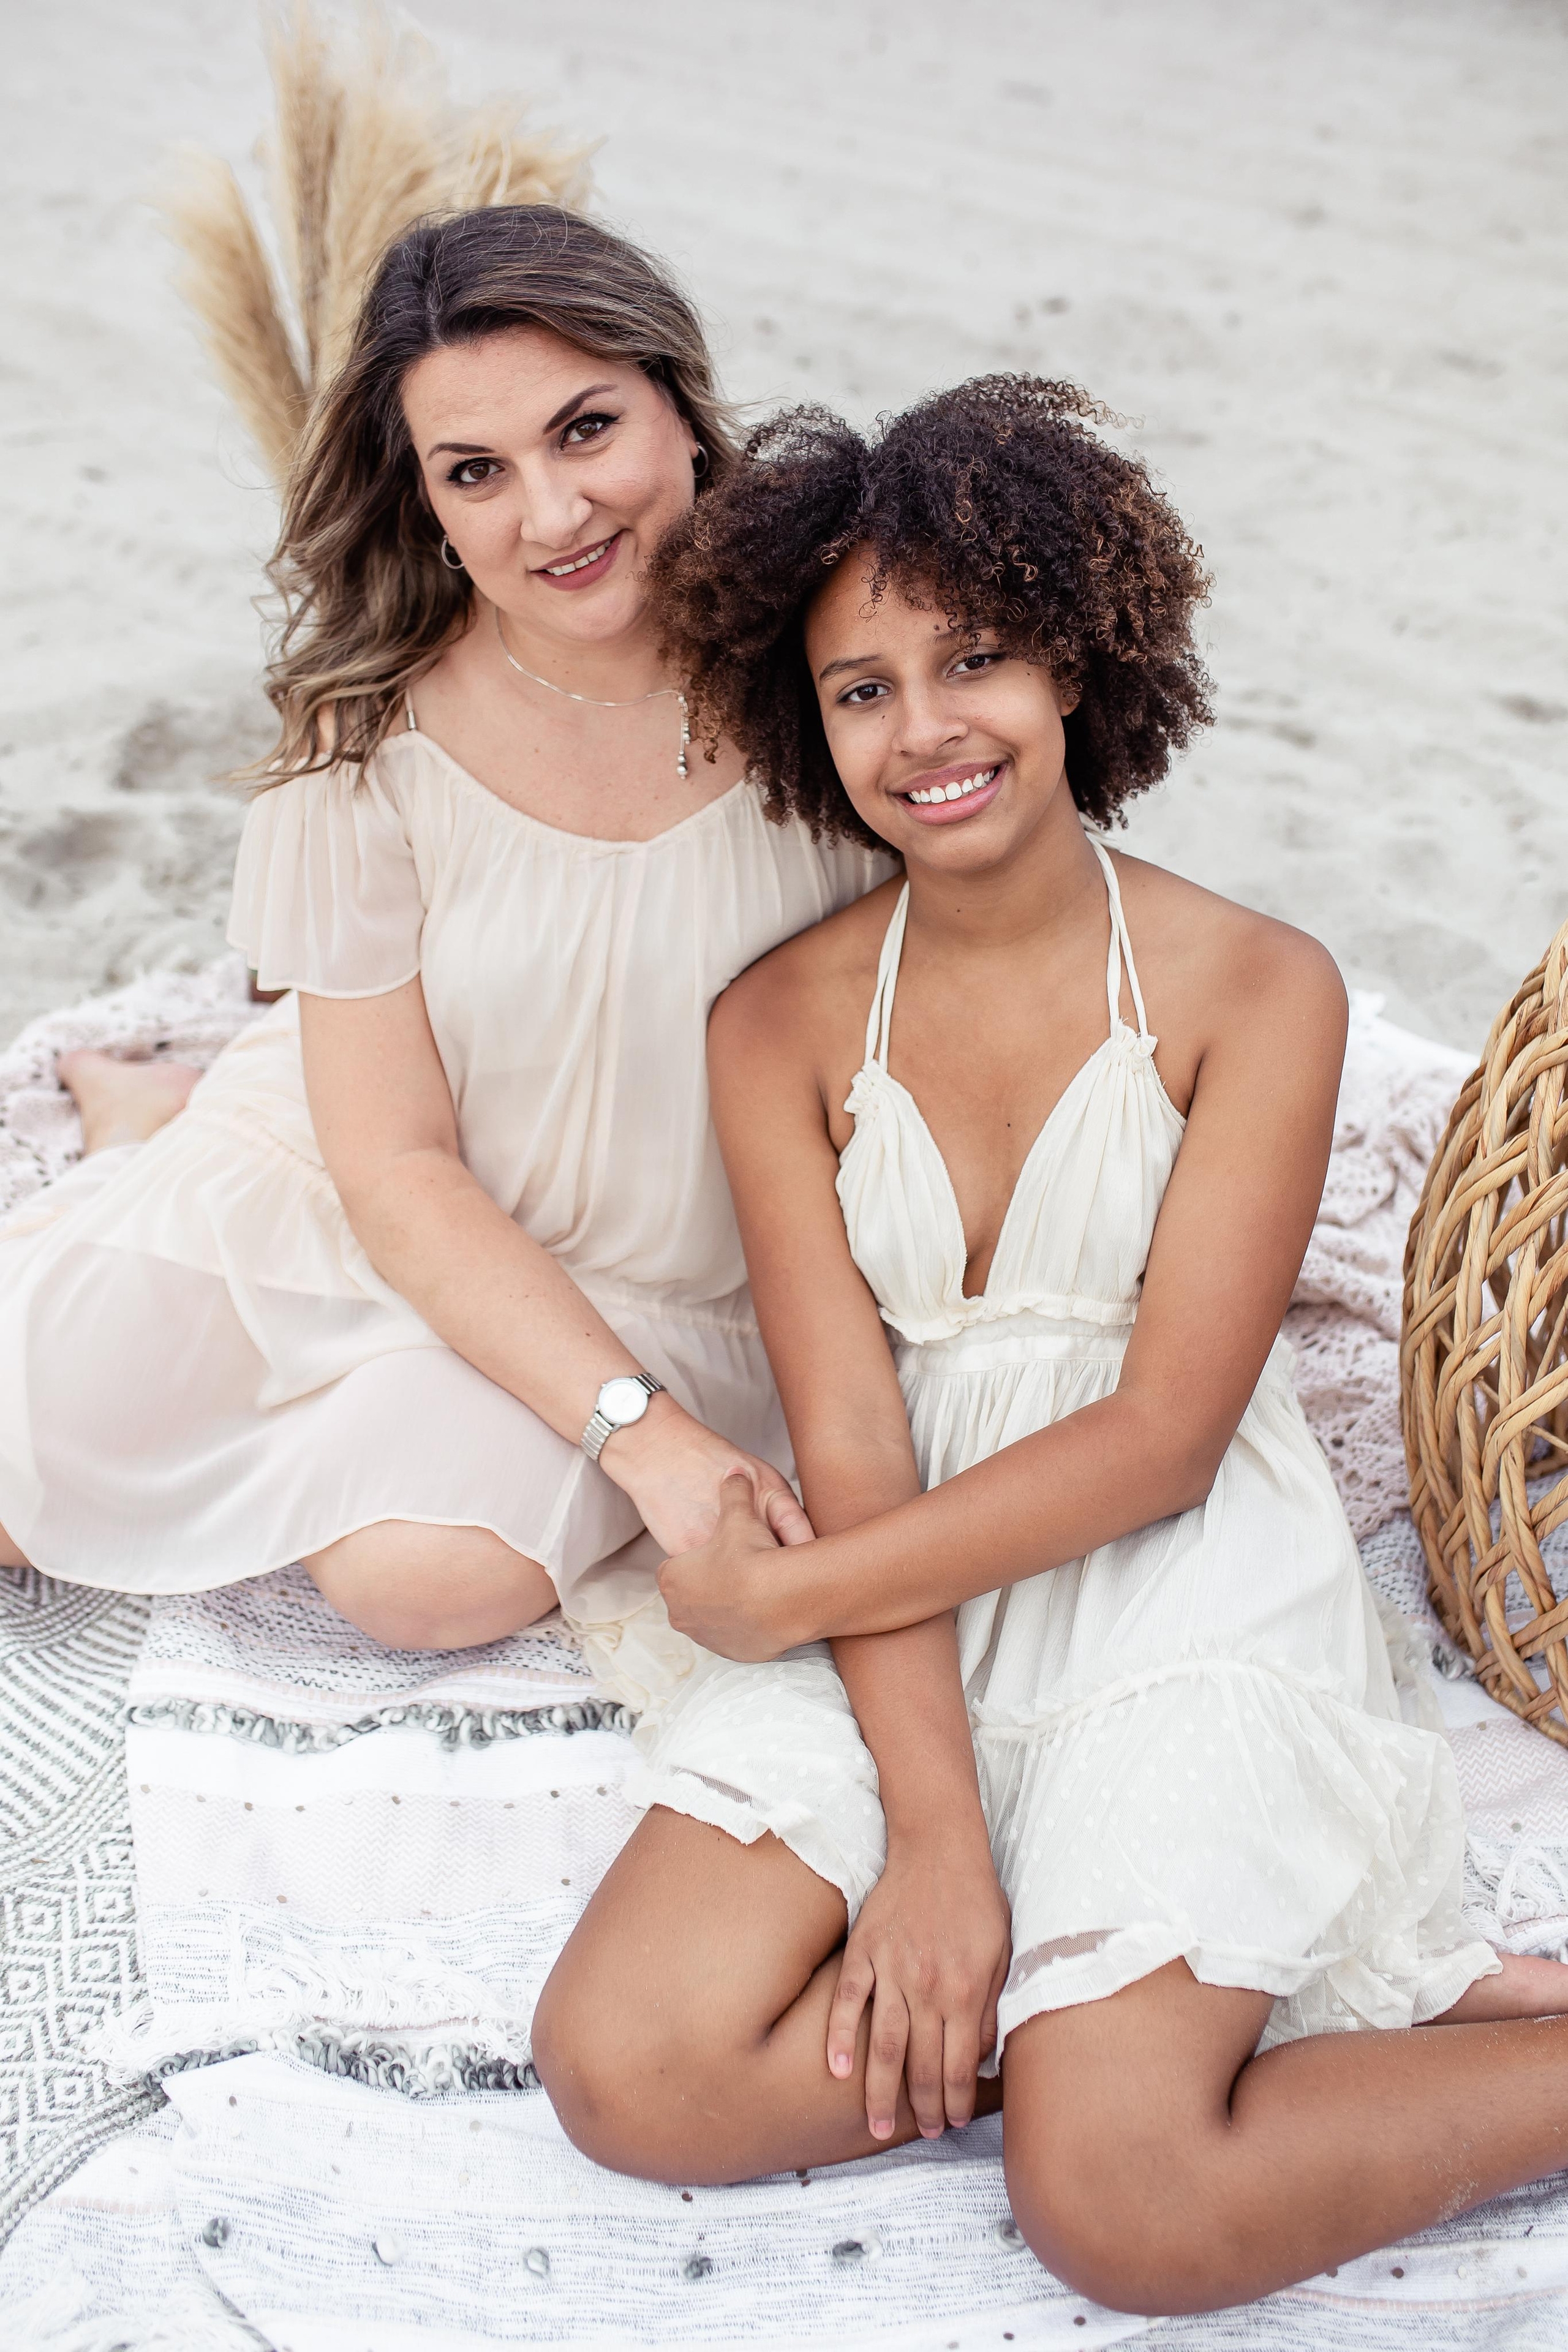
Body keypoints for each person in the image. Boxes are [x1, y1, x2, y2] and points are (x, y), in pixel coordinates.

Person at [533, 379, 1568, 2313]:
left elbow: (1166, 1437)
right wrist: (938, 1838)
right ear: (800, 718)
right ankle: (1116, 2019)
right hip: (906, 1559)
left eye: (976, 658)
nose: (923, 730)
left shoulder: (1259, 982)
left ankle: (1287, 2066)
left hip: (1166, 1569)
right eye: (859, 689)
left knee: (1125, 2212)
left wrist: (787, 1602)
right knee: (631, 2068)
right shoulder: (772, 1026)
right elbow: (848, 1416)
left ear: (1082, 662)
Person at [0, 207, 888, 1681]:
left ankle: (153, 1124)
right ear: (424, 503)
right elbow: (395, 1166)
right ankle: (152, 1135)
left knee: (418, 1584)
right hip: (359, 1188)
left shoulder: (836, 660)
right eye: (476, 472)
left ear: (679, 404)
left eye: (585, 429)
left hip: (657, 1279)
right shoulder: (369, 736)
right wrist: (642, 1447)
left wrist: (664, 1411)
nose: (550, 515)